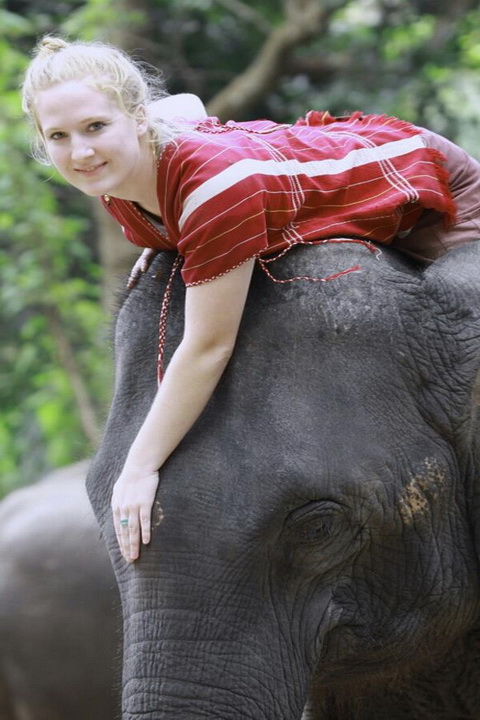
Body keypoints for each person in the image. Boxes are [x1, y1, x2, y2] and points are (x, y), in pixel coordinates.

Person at [22, 36, 480, 563]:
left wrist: (139, 466)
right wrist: (168, 234)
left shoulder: (212, 188)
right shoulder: (115, 175)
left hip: (420, 188)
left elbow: (209, 346)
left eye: (96, 127)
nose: (80, 151)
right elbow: (186, 109)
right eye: (58, 135)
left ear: (139, 118)